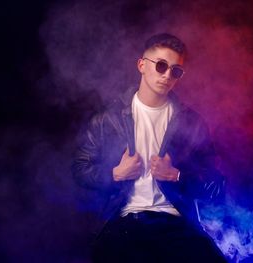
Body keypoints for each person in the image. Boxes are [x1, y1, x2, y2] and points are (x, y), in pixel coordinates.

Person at [72, 33, 227, 263]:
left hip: (175, 221)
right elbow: (80, 168)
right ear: (142, 65)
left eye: (175, 71)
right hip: (123, 221)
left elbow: (216, 187)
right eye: (161, 66)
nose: (167, 76)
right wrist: (115, 174)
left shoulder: (191, 122)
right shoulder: (108, 119)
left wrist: (177, 175)